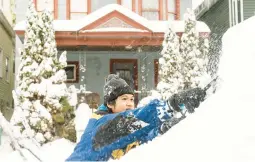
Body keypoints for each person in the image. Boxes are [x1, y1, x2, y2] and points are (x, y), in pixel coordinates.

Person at [66, 74, 205, 161]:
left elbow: (140, 140)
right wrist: (170, 105)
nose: (129, 103)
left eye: (132, 99)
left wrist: (161, 129)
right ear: (110, 103)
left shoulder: (121, 133)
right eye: (124, 99)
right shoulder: (101, 125)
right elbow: (130, 122)